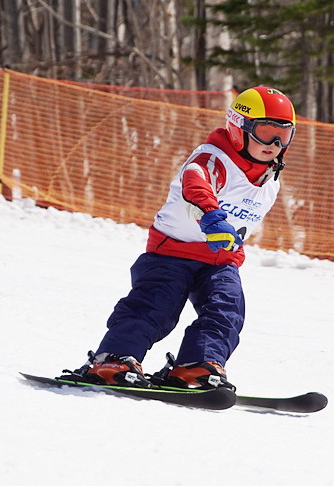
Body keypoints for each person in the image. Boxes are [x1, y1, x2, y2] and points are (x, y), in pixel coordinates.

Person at [71, 86, 296, 390]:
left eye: (283, 136)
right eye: (265, 132)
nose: (274, 144)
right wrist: (212, 217)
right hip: (173, 252)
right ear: (237, 128)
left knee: (226, 311)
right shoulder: (212, 160)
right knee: (155, 306)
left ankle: (197, 366)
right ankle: (114, 359)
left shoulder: (269, 179)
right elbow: (196, 185)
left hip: (219, 262)